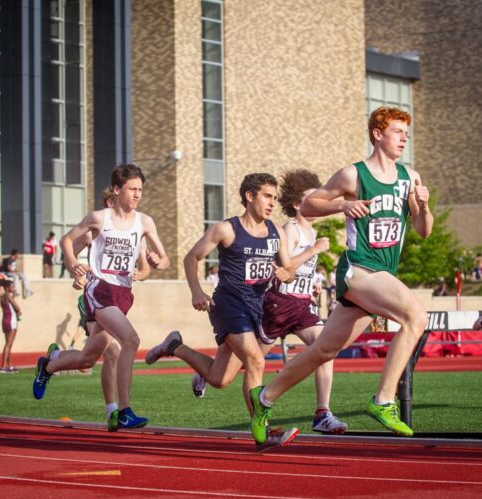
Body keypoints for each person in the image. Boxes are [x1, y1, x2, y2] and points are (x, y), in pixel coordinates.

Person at [249, 106, 434, 447]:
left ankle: (264, 398)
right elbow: (309, 206)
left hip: (381, 274)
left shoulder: (410, 177)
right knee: (416, 317)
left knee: (323, 350)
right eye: (397, 131)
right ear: (377, 134)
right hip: (359, 270)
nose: (404, 137)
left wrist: (423, 205)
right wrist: (343, 206)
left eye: (406, 132)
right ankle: (383, 401)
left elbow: (423, 231)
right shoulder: (353, 175)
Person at [145, 173, 297, 452]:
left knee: (220, 379)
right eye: (267, 196)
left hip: (257, 308)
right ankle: (262, 433)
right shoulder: (227, 229)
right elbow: (192, 257)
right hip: (228, 305)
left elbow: (289, 270)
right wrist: (196, 291)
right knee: (256, 362)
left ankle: (174, 346)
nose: (272, 202)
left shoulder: (277, 232)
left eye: (274, 198)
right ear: (250, 196)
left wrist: (284, 274)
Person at [33, 164, 169, 430]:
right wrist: (74, 266)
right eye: (132, 189)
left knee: (87, 359)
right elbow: (67, 241)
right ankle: (123, 410)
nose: (137, 194)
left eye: (140, 189)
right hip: (100, 288)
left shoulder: (144, 222)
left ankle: (47, 367)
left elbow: (164, 260)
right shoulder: (99, 219)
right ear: (117, 190)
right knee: (130, 340)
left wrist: (156, 261)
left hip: (123, 294)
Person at [261, 169, 347, 434]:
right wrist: (314, 250)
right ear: (298, 204)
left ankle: (322, 412)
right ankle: (207, 374)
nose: (318, 205)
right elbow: (284, 268)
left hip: (301, 306)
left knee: (326, 348)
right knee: (247, 359)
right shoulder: (292, 228)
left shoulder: (313, 231)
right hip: (279, 303)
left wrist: (312, 285)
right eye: (312, 200)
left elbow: (302, 272)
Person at [0, 279, 22, 373]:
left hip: (5, 320)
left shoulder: (2, 297)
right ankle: (4, 366)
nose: (13, 288)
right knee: (9, 344)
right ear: (7, 288)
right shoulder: (8, 296)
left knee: (8, 344)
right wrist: (19, 311)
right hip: (11, 321)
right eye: (12, 286)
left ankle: (8, 365)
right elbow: (17, 307)